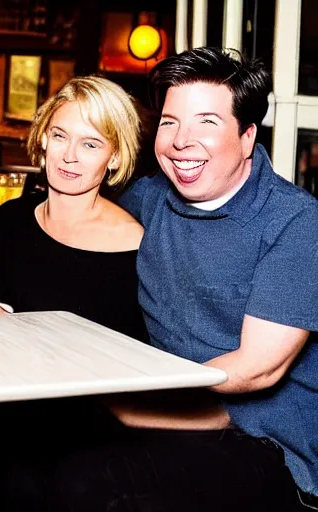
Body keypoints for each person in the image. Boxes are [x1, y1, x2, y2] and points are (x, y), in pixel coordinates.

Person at [46, 48, 318, 512]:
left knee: (89, 485)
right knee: (31, 463)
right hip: (169, 417)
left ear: (247, 135)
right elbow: (69, 233)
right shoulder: (148, 199)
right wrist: (6, 306)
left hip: (266, 444)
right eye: (170, 122)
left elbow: (258, 368)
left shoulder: (296, 221)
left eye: (206, 123)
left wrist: (134, 395)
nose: (180, 141)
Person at [0, 76, 146, 510]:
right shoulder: (10, 220)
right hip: (8, 411)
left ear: (115, 156)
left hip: (91, 430)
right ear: (43, 137)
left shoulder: (135, 244)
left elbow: (131, 362)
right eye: (60, 135)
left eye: (91, 143)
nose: (68, 155)